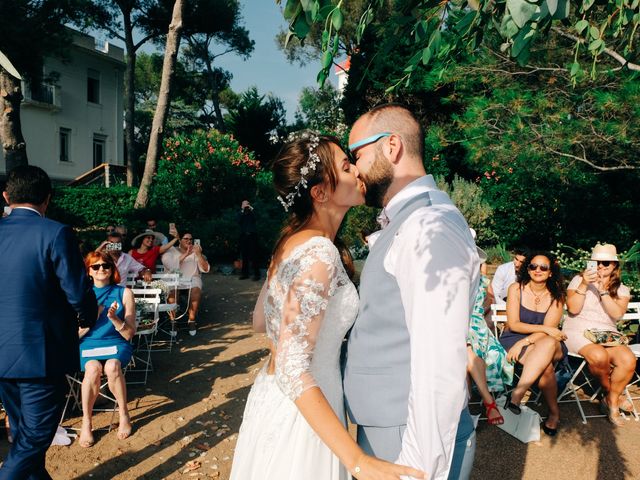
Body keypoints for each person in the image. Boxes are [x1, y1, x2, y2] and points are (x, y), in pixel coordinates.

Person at [230, 133, 423, 480]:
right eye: (347, 167)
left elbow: (261, 320)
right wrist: (359, 461)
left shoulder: (289, 242)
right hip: (305, 412)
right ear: (320, 193)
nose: (358, 173)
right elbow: (292, 365)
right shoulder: (319, 253)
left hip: (272, 397)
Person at [343, 104, 481, 479]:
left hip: (408, 441)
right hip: (391, 427)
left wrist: (418, 469)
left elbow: (438, 361)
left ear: (391, 147)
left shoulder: (428, 227)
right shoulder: (411, 221)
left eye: (357, 154)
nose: (353, 168)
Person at [0, 165, 97, 478]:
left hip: (2, 354)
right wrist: (87, 318)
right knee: (36, 436)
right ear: (48, 198)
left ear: (6, 196)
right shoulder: (55, 232)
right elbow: (77, 291)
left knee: (22, 431)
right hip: (40, 353)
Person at [563, 243, 636, 426]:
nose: (601, 267)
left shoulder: (622, 289)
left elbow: (617, 314)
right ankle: (612, 397)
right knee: (598, 355)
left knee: (628, 359)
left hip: (606, 334)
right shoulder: (578, 281)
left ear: (614, 266)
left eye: (606, 263)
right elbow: (573, 308)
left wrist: (603, 290)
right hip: (577, 330)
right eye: (597, 263)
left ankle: (610, 398)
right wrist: (585, 284)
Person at [499, 251, 567, 436]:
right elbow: (514, 324)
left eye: (543, 267)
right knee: (546, 368)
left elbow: (550, 332)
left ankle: (517, 394)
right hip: (513, 337)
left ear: (551, 272)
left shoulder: (557, 295)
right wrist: (527, 339)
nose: (538, 270)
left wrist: (526, 341)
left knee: (548, 342)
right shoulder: (515, 288)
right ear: (527, 269)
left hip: (547, 343)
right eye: (533, 266)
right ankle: (554, 414)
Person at [78, 251, 137, 447]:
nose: (101, 269)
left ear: (112, 269)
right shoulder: (81, 296)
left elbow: (129, 334)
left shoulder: (124, 292)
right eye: (96, 266)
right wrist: (93, 318)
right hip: (88, 343)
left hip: (116, 342)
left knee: (112, 366)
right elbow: (72, 335)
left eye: (106, 265)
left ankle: (124, 414)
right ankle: (87, 422)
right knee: (93, 369)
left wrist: (114, 319)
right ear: (89, 271)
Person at [467, 238, 513, 426]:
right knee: (464, 349)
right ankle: (488, 402)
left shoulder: (481, 280)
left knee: (475, 350)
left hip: (477, 326)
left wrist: (482, 313)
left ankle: (466, 409)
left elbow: (488, 303)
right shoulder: (446, 281)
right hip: (454, 327)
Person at [161, 231, 210, 336]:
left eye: (190, 239)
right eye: (186, 239)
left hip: (192, 278)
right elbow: (171, 265)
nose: (189, 241)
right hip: (175, 278)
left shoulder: (195, 251)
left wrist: (199, 254)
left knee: (196, 288)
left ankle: (191, 320)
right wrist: (186, 254)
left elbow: (205, 269)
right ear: (180, 240)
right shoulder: (171, 251)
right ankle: (173, 321)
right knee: (172, 291)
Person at [238, 200, 261, 280]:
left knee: (254, 255)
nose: (246, 205)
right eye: (244, 204)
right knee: (244, 255)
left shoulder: (252, 212)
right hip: (244, 236)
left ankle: (257, 275)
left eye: (247, 204)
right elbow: (238, 221)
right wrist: (242, 210)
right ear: (242, 205)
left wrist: (252, 209)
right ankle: (245, 274)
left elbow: (257, 218)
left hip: (252, 236)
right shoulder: (240, 213)